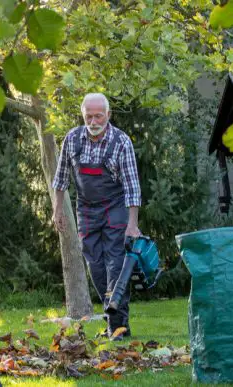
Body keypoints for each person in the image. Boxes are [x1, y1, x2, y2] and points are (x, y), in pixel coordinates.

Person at [51, 93, 142, 341]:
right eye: (88, 116)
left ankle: (118, 327)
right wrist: (58, 208)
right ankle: (115, 321)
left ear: (108, 115)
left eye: (98, 115)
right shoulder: (72, 139)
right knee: (95, 266)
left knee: (115, 264)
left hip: (115, 208)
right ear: (83, 116)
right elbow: (60, 178)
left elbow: (132, 186)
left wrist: (132, 224)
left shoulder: (121, 142)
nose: (93, 121)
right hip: (86, 210)